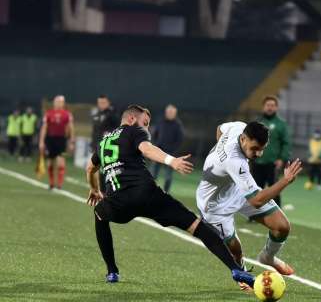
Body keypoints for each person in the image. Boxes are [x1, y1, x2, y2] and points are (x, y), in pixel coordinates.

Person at [85, 105, 255, 286]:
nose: (146, 128)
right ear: (132, 119)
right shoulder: (134, 131)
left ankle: (112, 272)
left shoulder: (103, 143)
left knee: (99, 213)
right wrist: (171, 160)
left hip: (119, 202)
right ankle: (235, 268)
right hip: (147, 195)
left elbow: (90, 167)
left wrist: (95, 189)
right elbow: (147, 149)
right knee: (196, 226)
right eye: (145, 123)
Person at [196, 121, 302, 281]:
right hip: (214, 204)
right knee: (235, 250)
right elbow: (256, 201)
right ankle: (243, 275)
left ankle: (268, 257)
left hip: (237, 189)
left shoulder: (239, 126)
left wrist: (221, 157)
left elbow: (220, 128)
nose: (258, 154)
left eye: (262, 149)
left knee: (282, 227)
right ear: (243, 139)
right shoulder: (234, 161)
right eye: (254, 149)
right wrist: (285, 181)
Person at [252, 96, 291, 207]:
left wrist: (282, 158)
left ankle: (277, 213)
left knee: (275, 189)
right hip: (257, 162)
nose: (270, 108)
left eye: (272, 105)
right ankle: (254, 215)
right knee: (255, 189)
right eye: (268, 105)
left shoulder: (281, 124)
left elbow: (286, 143)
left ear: (276, 108)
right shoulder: (257, 123)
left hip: (272, 163)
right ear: (263, 107)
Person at [39, 95, 75, 190]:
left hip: (61, 140)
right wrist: (41, 141)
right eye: (57, 101)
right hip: (50, 140)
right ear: (54, 102)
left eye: (60, 101)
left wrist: (72, 141)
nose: (59, 103)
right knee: (50, 163)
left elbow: (71, 128)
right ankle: (51, 183)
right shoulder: (48, 113)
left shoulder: (67, 114)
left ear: (63, 103)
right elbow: (44, 128)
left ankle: (59, 184)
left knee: (60, 163)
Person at [151, 104, 184, 193]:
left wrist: (173, 150)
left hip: (170, 154)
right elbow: (154, 135)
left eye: (172, 112)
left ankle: (166, 194)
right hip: (158, 152)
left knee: (168, 177)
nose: (170, 113)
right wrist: (155, 146)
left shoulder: (178, 125)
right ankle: (149, 192)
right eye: (168, 112)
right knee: (153, 175)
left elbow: (179, 140)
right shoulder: (160, 122)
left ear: (175, 113)